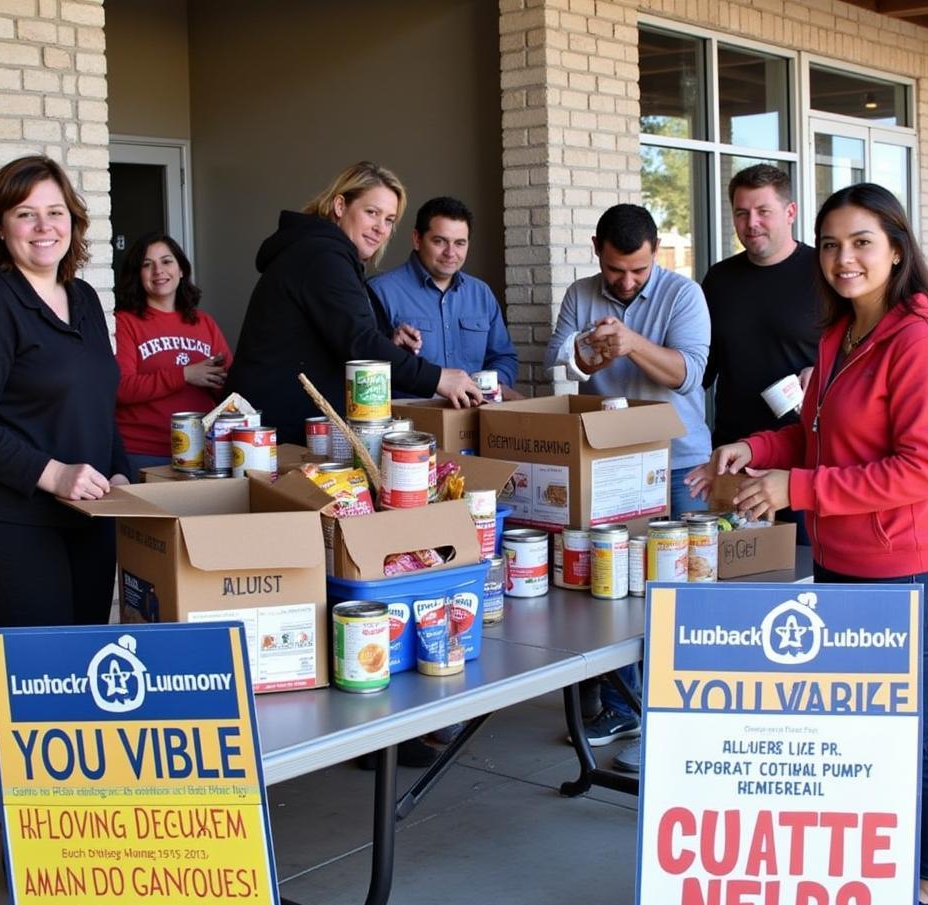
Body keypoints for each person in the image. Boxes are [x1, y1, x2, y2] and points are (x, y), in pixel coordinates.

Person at [685, 182, 928, 905]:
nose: (844, 258)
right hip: (842, 557)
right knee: (864, 725)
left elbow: (917, 472)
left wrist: (792, 488)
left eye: (862, 242)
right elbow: (812, 434)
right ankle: (887, 857)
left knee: (912, 727)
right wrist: (752, 448)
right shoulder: (839, 333)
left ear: (896, 248)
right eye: (833, 244)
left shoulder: (924, 340)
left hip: (907, 563)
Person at [545, 204, 712, 762]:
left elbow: (688, 373)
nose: (626, 281)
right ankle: (625, 703)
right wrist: (593, 349)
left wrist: (632, 342)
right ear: (597, 249)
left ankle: (679, 706)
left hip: (679, 461)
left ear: (655, 252)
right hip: (608, 463)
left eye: (638, 270)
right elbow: (561, 363)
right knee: (614, 585)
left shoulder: (683, 294)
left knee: (677, 591)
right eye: (617, 269)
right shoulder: (580, 292)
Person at [0, 154, 130, 627]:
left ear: (72, 221)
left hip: (86, 512)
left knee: (85, 655)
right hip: (8, 517)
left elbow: (97, 404)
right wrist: (55, 475)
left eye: (55, 212)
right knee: (46, 668)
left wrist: (119, 474)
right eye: (25, 214)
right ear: (0, 227)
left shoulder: (82, 297)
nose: (44, 226)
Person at [224, 162, 482, 445]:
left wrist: (386, 342)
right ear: (339, 206)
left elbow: (334, 336)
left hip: (283, 425)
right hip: (273, 431)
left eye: (389, 220)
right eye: (372, 212)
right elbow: (358, 342)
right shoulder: (323, 256)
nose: (380, 228)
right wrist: (437, 378)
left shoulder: (324, 253)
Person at [702, 164, 820, 542]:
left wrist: (822, 372)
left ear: (790, 212)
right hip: (735, 457)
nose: (751, 223)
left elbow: (857, 353)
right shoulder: (719, 279)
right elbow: (703, 368)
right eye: (741, 212)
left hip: (804, 462)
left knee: (804, 579)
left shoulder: (825, 273)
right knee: (737, 577)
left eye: (763, 211)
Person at [369, 196, 519, 397]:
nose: (451, 252)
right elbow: (365, 366)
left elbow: (504, 356)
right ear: (417, 239)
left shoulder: (481, 293)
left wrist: (493, 385)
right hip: (410, 422)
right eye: (439, 241)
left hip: (476, 417)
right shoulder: (379, 291)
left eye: (460, 243)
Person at [115, 232, 232, 480]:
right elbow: (121, 388)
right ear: (138, 275)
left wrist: (217, 381)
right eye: (147, 265)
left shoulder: (204, 323)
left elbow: (230, 388)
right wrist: (185, 375)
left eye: (167, 261)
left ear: (181, 270)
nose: (158, 270)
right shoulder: (125, 323)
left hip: (205, 452)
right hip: (145, 453)